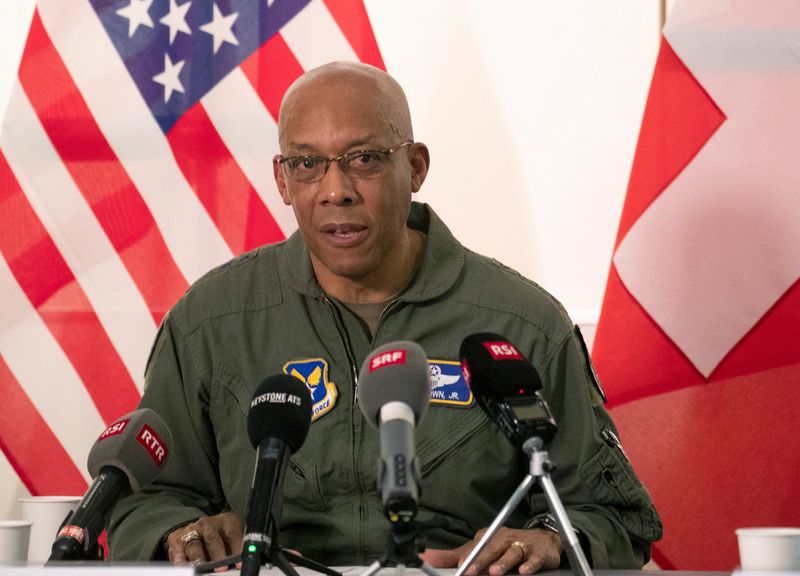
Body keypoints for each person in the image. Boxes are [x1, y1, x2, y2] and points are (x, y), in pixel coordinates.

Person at [108, 61, 662, 574]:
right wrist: (180, 531)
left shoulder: (523, 323)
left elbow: (615, 517)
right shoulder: (212, 321)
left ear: (415, 166)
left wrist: (546, 539)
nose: (336, 191)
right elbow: (141, 501)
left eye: (364, 159)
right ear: (281, 181)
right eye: (307, 164)